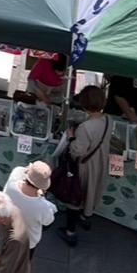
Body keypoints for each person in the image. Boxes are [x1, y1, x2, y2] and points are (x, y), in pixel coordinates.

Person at [57, 84, 111, 247]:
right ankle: (86, 217)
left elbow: (76, 151)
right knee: (92, 191)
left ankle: (70, 232)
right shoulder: (108, 119)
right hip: (100, 162)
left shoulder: (85, 128)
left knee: (76, 195)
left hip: (85, 166)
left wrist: (71, 137)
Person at [4, 162, 56, 273]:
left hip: (8, 231)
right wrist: (41, 196)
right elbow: (48, 223)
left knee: (6, 253)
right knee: (23, 262)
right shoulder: (43, 207)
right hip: (28, 241)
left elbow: (18, 171)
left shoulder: (11, 186)